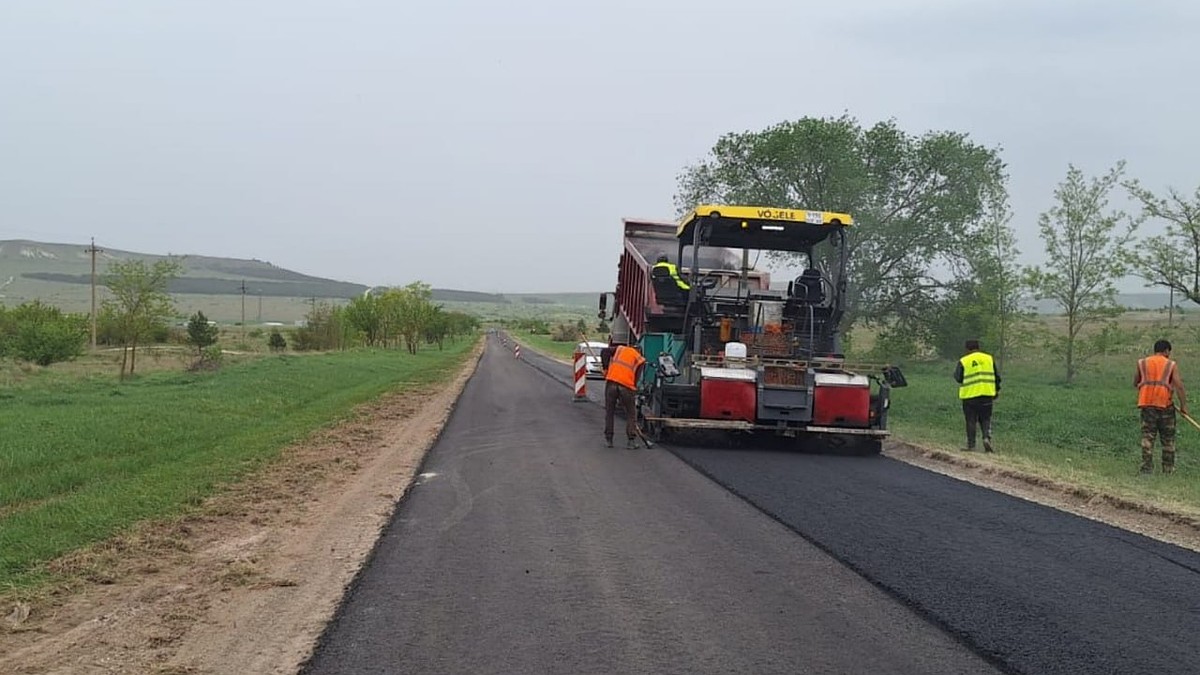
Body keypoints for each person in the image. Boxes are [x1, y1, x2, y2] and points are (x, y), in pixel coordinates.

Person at [1134, 339, 1188, 474]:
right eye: (1169, 352)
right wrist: (1183, 406)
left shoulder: (1142, 363)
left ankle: (1146, 469)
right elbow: (1179, 386)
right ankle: (1168, 470)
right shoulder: (1170, 364)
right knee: (1168, 439)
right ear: (1166, 351)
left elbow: (1136, 382)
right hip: (1165, 406)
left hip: (1147, 405)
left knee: (1148, 437)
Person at [954, 339, 1000, 452]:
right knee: (985, 418)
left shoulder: (964, 360)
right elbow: (997, 377)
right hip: (987, 394)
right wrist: (996, 391)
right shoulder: (989, 358)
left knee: (971, 420)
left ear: (967, 349)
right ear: (978, 347)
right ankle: (986, 438)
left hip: (970, 396)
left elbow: (958, 378)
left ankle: (971, 445)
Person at [604, 343, 646, 449]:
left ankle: (609, 440)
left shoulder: (620, 349)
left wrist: (605, 369)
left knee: (610, 412)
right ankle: (631, 441)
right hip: (626, 386)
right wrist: (633, 390)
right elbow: (636, 378)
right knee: (631, 413)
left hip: (611, 383)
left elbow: (604, 352)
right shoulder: (640, 359)